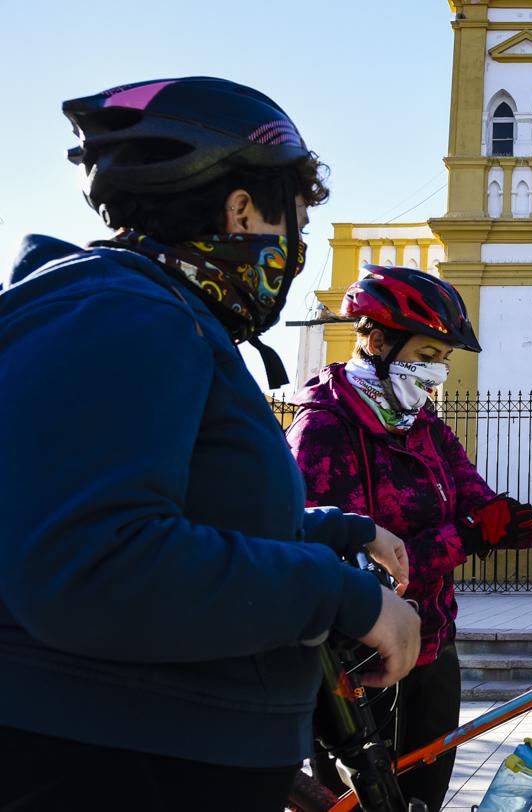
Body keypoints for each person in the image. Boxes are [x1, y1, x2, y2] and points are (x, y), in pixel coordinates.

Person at [0, 77, 421, 812]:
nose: (294, 249)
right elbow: (97, 564)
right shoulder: (124, 314)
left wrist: (332, 531)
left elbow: (176, 515)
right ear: (241, 209)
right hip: (109, 765)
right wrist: (340, 598)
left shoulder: (158, 317)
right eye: (293, 221)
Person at [285, 265, 532, 808]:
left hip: (435, 651)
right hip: (361, 671)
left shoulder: (427, 429)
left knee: (425, 801)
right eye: (428, 355)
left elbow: (486, 512)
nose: (438, 373)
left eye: (444, 360)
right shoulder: (322, 428)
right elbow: (357, 558)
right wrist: (466, 535)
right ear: (381, 341)